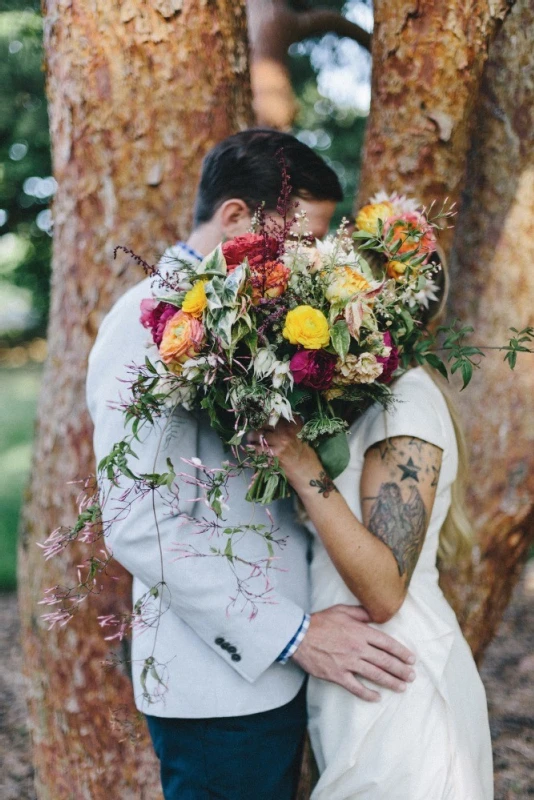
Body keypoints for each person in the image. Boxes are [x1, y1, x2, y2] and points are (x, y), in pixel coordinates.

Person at [86, 129, 417, 800]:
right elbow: (139, 522)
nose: (307, 260)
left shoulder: (256, 315)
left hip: (279, 671)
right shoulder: (145, 324)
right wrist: (294, 634)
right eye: (298, 239)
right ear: (235, 215)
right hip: (220, 687)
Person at [249, 273, 494, 799]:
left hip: (397, 676)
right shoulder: (367, 400)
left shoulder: (407, 406)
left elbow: (384, 589)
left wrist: (296, 462)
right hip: (361, 668)